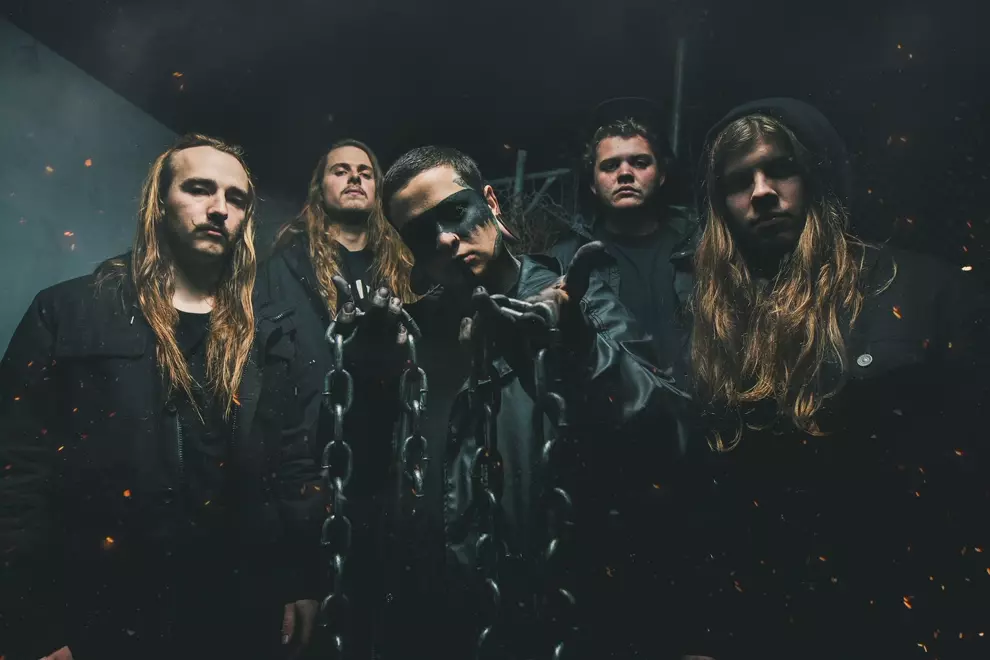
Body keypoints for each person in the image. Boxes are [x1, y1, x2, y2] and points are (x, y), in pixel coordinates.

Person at [680, 98, 989, 659]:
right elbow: (714, 502)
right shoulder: (714, 327)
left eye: (780, 168)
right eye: (739, 181)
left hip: (908, 615)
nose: (762, 191)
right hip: (772, 623)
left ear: (814, 175)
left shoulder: (922, 290)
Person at [0, 134, 323, 660]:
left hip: (233, 611)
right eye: (198, 189)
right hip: (104, 610)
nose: (219, 208)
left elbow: (289, 462)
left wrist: (300, 577)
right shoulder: (69, 311)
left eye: (236, 198)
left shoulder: (266, 332)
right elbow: (16, 468)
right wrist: (30, 620)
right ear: (159, 203)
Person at [381, 146, 684, 659]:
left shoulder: (579, 304)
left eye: (456, 212)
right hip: (449, 621)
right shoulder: (412, 338)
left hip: (557, 616)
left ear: (491, 202)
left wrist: (576, 347)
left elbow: (668, 428)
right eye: (421, 233)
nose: (446, 239)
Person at [255, 138, 418, 658]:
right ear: (319, 187)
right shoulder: (283, 267)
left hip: (387, 464)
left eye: (365, 172)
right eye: (340, 170)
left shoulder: (407, 269)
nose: (354, 178)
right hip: (309, 462)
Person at [551, 98, 698, 380]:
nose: (625, 174)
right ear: (593, 184)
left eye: (640, 162)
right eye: (610, 166)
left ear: (661, 175)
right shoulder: (564, 260)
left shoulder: (702, 247)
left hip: (696, 402)